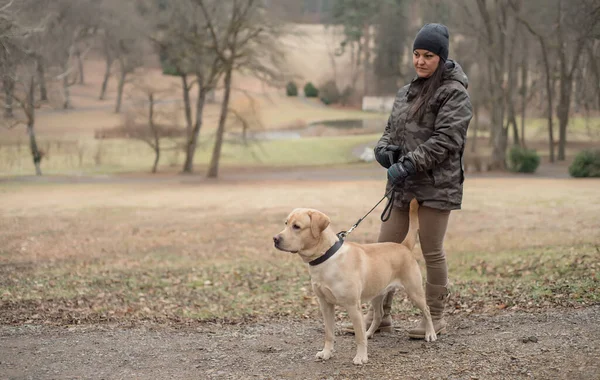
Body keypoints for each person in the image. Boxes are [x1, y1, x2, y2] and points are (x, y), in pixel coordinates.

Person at [346, 23, 473, 338]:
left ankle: (435, 317)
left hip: (436, 185)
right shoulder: (406, 91)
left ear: (441, 57)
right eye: (416, 54)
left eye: (428, 55)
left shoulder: (454, 93)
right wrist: (383, 152)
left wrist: (409, 163)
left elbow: (447, 140)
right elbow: (390, 129)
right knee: (382, 249)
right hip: (402, 186)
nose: (420, 61)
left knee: (431, 251)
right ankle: (381, 317)